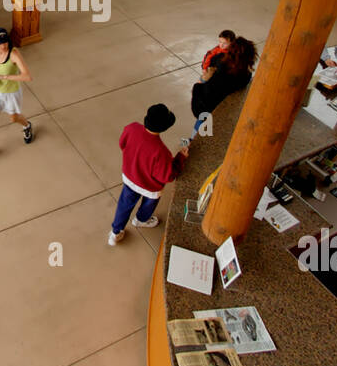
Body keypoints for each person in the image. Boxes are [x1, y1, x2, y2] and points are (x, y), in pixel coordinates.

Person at [110, 104, 187, 246]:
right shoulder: (162, 151)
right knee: (148, 204)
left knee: (124, 204)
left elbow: (122, 144)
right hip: (150, 188)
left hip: (130, 177)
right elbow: (167, 176)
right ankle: (141, 220)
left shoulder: (131, 128)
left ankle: (116, 232)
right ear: (165, 127)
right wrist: (180, 158)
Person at [0, 28, 33, 164]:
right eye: (0, 43)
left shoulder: (13, 54)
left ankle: (27, 126)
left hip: (11, 93)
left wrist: (4, 76)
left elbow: (27, 77)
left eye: (5, 42)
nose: (4, 46)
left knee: (14, 118)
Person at [190, 36, 257, 133]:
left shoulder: (221, 62)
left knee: (202, 116)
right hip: (222, 104)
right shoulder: (246, 75)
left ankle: (193, 138)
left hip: (205, 105)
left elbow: (211, 61)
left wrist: (198, 85)